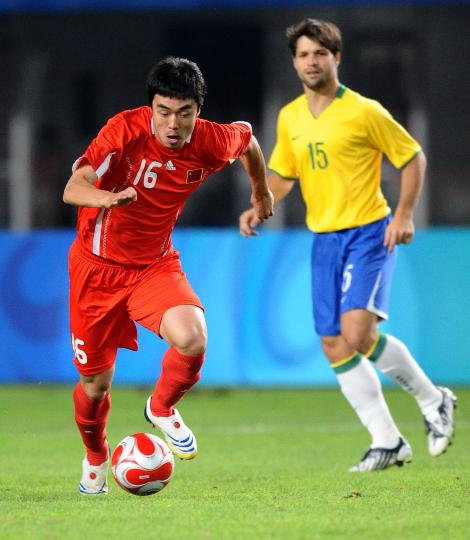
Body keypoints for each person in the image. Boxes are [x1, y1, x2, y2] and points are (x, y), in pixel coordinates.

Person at [239, 18, 456, 472]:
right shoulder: (291, 116)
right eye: (302, 54)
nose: (311, 61)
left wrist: (404, 213)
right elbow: (284, 175)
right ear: (295, 62)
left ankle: (434, 399)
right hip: (325, 239)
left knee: (358, 334)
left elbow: (412, 157)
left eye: (320, 53)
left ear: (336, 58)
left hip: (368, 233)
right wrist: (261, 202)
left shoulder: (363, 111)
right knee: (335, 344)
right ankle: (387, 440)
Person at [64, 56, 274, 494]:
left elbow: (249, 142)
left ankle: (160, 407)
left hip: (153, 265)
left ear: (198, 110)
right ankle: (96, 458)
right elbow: (73, 187)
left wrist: (261, 191)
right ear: (151, 108)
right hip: (96, 271)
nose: (173, 124)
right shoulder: (124, 130)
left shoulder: (213, 141)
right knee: (95, 385)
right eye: (164, 111)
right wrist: (106, 198)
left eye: (184, 113)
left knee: (193, 337)